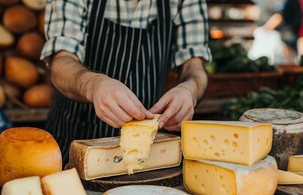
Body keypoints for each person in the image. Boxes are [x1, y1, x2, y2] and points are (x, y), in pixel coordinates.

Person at [41, 0, 211, 164]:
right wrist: (94, 85)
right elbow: (60, 63)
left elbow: (194, 66)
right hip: (78, 139)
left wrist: (189, 91)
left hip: (148, 153)